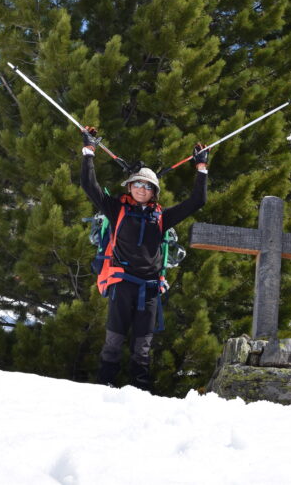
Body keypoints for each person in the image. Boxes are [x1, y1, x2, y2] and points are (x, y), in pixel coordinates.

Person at [80, 126, 209, 392]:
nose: (141, 188)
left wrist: (202, 168)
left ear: (153, 191)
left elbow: (197, 201)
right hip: (121, 283)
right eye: (137, 183)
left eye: (147, 185)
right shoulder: (116, 209)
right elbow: (89, 186)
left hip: (149, 289)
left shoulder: (162, 218)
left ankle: (140, 395)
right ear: (129, 186)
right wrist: (89, 151)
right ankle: (102, 389)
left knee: (143, 348)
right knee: (113, 341)